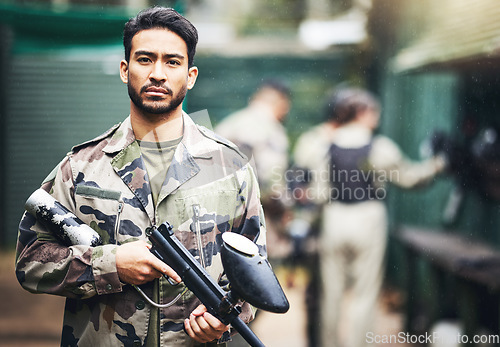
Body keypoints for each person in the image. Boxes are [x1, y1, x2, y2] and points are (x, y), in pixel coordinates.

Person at [15, 7, 266, 347]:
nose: (158, 74)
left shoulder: (229, 166)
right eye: (145, 59)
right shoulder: (81, 165)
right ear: (125, 69)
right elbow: (30, 261)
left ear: (190, 76)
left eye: (172, 62)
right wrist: (111, 264)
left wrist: (224, 319)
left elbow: (255, 269)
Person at [292, 87, 447, 347]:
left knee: (332, 293)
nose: (377, 116)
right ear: (361, 113)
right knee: (365, 292)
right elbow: (409, 178)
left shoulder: (323, 144)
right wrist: (438, 165)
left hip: (334, 218)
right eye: (374, 111)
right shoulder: (379, 146)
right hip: (368, 218)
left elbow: (313, 190)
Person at [215, 80, 292, 265]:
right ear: (281, 102)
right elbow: (272, 183)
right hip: (253, 215)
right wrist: (285, 211)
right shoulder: (270, 129)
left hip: (218, 212)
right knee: (257, 271)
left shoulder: (229, 124)